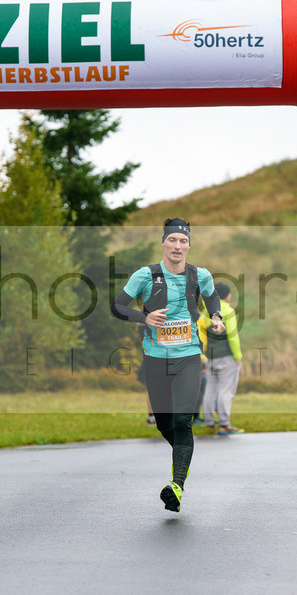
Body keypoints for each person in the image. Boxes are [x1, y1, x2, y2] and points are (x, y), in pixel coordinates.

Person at [112, 218, 225, 513]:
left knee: (181, 420)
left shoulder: (200, 276)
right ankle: (183, 458)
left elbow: (213, 300)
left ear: (189, 245)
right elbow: (118, 306)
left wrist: (216, 318)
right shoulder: (146, 275)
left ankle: (176, 485)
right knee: (164, 423)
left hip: (188, 357)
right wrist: (144, 318)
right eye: (172, 240)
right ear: (163, 243)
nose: (178, 246)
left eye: (183, 241)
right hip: (155, 359)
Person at [200, 282, 245, 434]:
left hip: (211, 356)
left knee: (211, 389)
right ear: (227, 295)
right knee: (226, 390)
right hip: (226, 357)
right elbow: (232, 337)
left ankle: (209, 422)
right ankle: (225, 424)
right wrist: (237, 356)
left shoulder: (207, 311)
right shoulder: (228, 311)